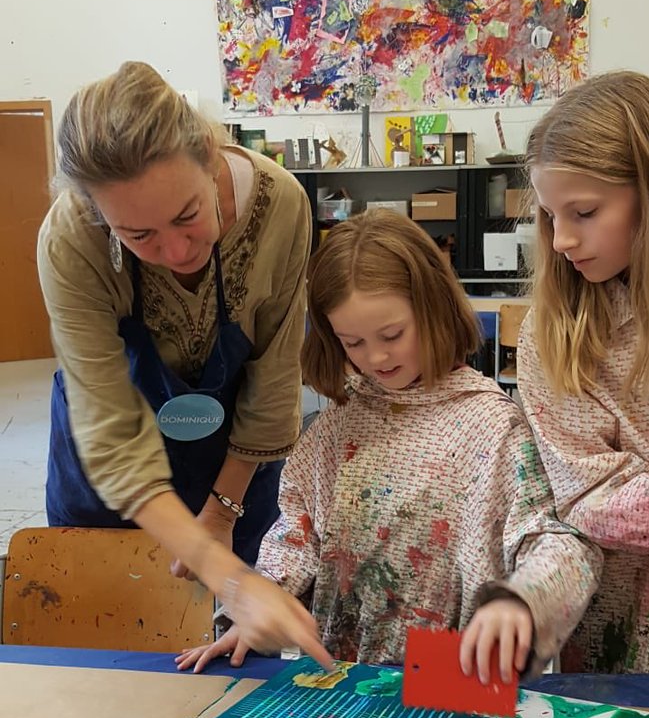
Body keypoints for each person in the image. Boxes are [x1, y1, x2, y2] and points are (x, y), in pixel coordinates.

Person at [177, 210, 601, 679]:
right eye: (352, 342)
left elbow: (561, 545)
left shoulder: (494, 427)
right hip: (342, 680)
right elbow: (297, 535)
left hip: (453, 682)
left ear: (433, 307)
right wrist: (258, 606)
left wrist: (524, 602)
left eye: (393, 335)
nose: (375, 357)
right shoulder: (335, 428)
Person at [37, 61, 331, 667]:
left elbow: (274, 377)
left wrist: (222, 517)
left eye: (187, 216)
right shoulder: (72, 238)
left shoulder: (281, 206)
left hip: (233, 463)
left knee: (228, 674)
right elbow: (111, 433)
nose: (173, 252)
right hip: (112, 483)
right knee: (101, 656)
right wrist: (223, 572)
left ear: (207, 150)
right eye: (137, 235)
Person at [517, 71, 649, 674]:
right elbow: (583, 497)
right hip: (617, 640)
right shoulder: (553, 331)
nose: (560, 240)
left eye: (583, 212)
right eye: (550, 215)